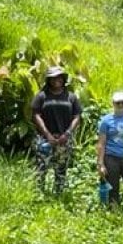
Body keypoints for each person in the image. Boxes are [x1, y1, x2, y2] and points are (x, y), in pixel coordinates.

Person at [32, 64, 82, 194]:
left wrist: (67, 134)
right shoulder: (42, 96)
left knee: (61, 169)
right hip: (44, 139)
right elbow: (36, 115)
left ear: (63, 79)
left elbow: (77, 116)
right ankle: (39, 195)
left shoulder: (71, 97)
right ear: (49, 80)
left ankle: (58, 195)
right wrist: (47, 135)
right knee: (41, 168)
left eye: (59, 77)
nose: (56, 80)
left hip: (64, 139)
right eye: (53, 78)